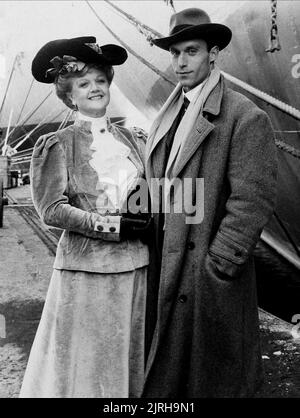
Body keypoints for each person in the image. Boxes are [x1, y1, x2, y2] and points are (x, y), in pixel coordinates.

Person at [143, 8, 278, 398]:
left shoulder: (243, 116)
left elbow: (253, 201)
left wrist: (216, 267)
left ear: (213, 54)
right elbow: (157, 182)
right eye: (175, 53)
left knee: (208, 382)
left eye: (191, 51)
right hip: (168, 267)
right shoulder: (167, 116)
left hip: (204, 277)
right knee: (170, 383)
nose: (181, 62)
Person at [19, 36, 150, 398]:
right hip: (86, 274)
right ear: (69, 96)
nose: (95, 89)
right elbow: (51, 210)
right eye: (83, 84)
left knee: (127, 364)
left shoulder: (135, 140)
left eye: (100, 81)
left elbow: (148, 193)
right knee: (89, 371)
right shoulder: (57, 144)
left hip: (137, 268)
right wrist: (112, 226)